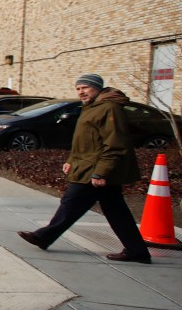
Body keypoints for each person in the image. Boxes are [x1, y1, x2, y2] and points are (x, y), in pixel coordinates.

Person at [17, 74, 152, 264]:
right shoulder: (92, 107)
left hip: (96, 169)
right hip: (90, 165)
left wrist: (101, 172)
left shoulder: (109, 108)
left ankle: (44, 236)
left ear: (97, 88)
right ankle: (137, 251)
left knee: (72, 201)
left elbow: (115, 144)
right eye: (78, 88)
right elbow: (86, 140)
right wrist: (72, 159)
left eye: (85, 88)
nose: (81, 92)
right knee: (115, 210)